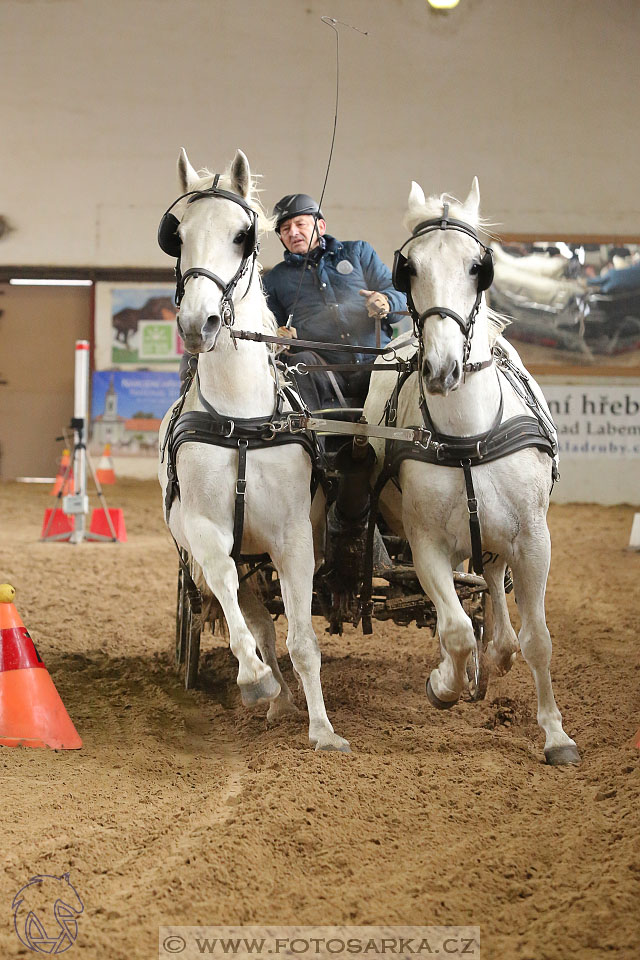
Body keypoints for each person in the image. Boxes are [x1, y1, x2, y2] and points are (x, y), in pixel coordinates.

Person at [263, 193, 406, 410]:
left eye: (300, 224)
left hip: (376, 365)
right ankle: (309, 438)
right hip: (323, 371)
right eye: (285, 229)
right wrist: (278, 338)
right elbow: (271, 329)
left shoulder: (358, 252)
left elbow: (401, 294)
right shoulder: (274, 280)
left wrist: (386, 300)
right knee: (299, 363)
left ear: (320, 226)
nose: (293, 232)